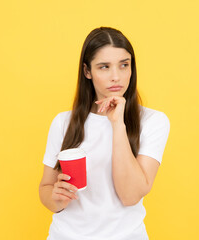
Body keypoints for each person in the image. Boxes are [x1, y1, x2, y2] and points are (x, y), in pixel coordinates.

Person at [39, 26, 170, 240]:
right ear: (87, 71)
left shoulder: (153, 121)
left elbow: (130, 196)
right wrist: (56, 199)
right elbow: (45, 187)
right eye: (104, 67)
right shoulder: (63, 123)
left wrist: (118, 124)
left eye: (124, 65)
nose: (116, 76)